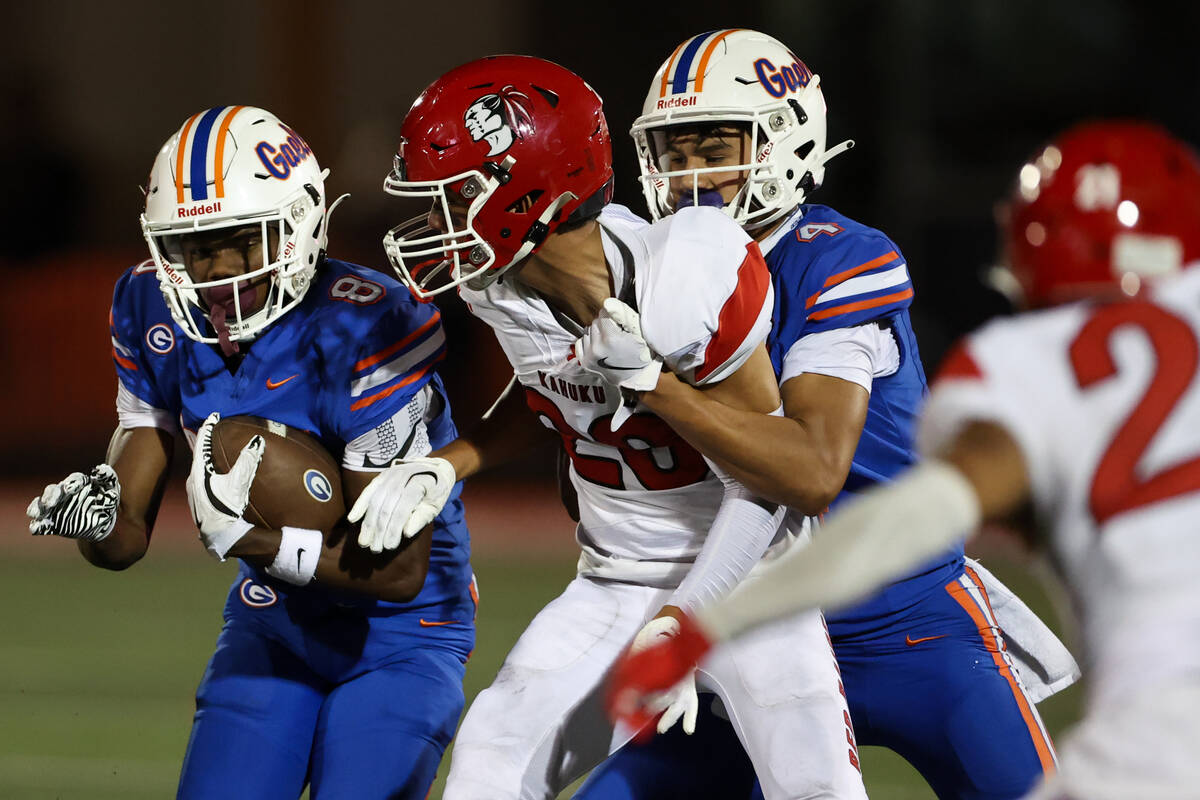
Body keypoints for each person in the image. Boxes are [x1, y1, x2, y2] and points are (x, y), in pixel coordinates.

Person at [608, 119, 1200, 799]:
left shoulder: (1020, 367)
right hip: (782, 645)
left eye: (713, 150)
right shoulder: (661, 263)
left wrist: (701, 626)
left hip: (1032, 685)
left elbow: (905, 518)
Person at [572, 29, 1073, 800]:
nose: (690, 174)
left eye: (714, 146)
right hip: (757, 626)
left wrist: (655, 387)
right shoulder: (653, 272)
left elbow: (811, 467)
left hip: (905, 619)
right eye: (674, 152)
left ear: (783, 141)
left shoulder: (836, 257)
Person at [370, 55, 868, 800]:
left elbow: (781, 483)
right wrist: (450, 462)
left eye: (457, 195)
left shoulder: (687, 272)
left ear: (529, 186)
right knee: (489, 765)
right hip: (612, 584)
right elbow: (548, 390)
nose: (436, 219)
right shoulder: (497, 288)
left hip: (751, 584)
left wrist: (687, 615)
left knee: (817, 791)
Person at [25, 106, 476, 800]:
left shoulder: (368, 321)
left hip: (403, 635)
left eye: (242, 241)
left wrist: (256, 540)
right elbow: (124, 544)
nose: (218, 273)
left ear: (299, 227)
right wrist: (98, 522)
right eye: (195, 248)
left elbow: (397, 573)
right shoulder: (151, 306)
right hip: (275, 620)